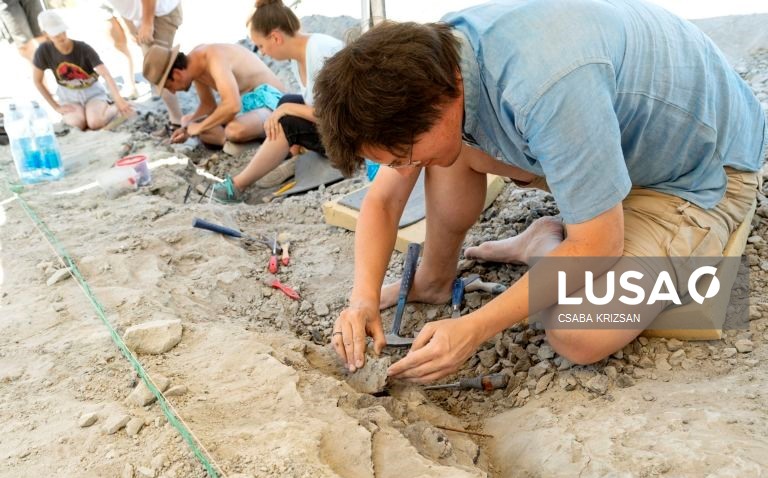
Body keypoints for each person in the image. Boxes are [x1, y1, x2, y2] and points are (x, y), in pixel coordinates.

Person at [312, 0, 767, 381]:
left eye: (400, 154)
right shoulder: (438, 60)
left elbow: (600, 245)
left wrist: (474, 328)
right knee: (447, 150)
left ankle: (545, 244)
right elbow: (386, 198)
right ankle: (434, 279)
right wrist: (363, 298)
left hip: (696, 171)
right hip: (619, 141)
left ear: (438, 97)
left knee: (578, 332)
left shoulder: (546, 86)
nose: (402, 170)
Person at [210, 0, 343, 203]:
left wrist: (286, 110)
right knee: (286, 102)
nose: (262, 52)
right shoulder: (300, 56)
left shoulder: (320, 50)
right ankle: (294, 160)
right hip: (338, 127)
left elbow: (335, 115)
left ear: (276, 37)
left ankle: (237, 186)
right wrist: (286, 107)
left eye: (261, 45)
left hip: (354, 138)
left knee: (287, 118)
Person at [142, 43, 286, 147]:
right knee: (187, 120)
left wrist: (199, 128)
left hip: (271, 102)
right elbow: (208, 105)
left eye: (169, 86)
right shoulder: (194, 66)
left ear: (177, 74)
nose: (173, 92)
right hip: (246, 109)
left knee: (234, 130)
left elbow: (232, 105)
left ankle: (232, 143)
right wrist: (186, 129)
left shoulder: (213, 57)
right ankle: (230, 142)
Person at [32, 10, 133, 130]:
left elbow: (105, 74)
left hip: (92, 93)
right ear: (46, 34)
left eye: (62, 31)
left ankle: (115, 106)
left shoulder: (83, 48)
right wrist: (55, 106)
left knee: (95, 123)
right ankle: (86, 113)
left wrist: (118, 99)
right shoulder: (43, 51)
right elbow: (37, 81)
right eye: (55, 34)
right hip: (68, 97)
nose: (61, 36)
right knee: (76, 123)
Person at [104, 0, 183, 127]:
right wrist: (130, 27)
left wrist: (147, 23)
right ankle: (176, 120)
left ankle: (178, 122)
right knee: (157, 70)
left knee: (159, 71)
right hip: (142, 15)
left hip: (160, 12)